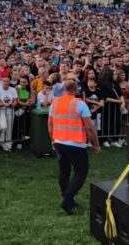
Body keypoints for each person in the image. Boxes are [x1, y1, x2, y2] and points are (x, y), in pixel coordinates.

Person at [49, 79, 100, 215]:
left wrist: (53, 140)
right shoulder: (80, 104)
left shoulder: (54, 103)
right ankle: (68, 198)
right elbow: (90, 127)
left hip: (59, 142)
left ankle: (67, 197)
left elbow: (50, 124)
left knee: (64, 171)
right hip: (76, 144)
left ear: (64, 89)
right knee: (81, 172)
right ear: (76, 89)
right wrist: (95, 144)